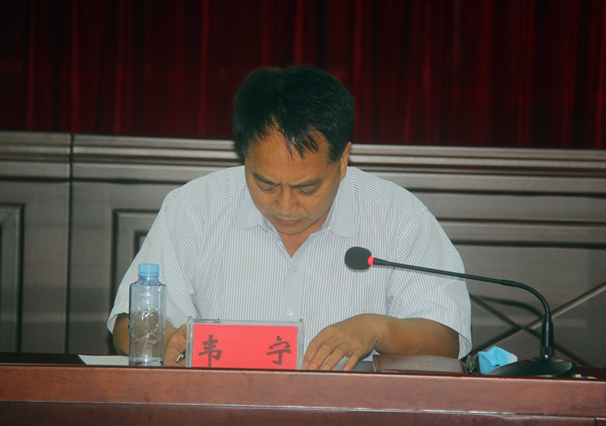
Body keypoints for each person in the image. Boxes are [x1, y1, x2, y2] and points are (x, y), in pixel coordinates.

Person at [108, 65, 471, 370]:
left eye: (306, 188)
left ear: (343, 160)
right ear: (244, 155)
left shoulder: (398, 217)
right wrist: (165, 341)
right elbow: (126, 323)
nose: (284, 206)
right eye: (265, 184)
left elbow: (447, 340)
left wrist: (379, 329)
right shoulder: (194, 208)